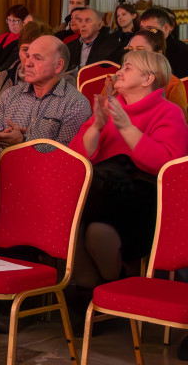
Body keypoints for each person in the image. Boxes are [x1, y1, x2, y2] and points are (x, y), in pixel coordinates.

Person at [69, 50, 188, 287]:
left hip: (144, 196)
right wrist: (98, 127)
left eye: (128, 67)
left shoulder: (169, 112)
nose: (119, 72)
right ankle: (94, 290)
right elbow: (76, 156)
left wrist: (126, 127)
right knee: (86, 217)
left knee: (81, 204)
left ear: (148, 79)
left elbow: (167, 166)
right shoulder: (108, 107)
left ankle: (100, 288)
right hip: (99, 194)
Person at [0, 36, 90, 166]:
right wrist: (10, 154)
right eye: (27, 56)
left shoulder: (75, 103)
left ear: (58, 66)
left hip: (48, 181)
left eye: (37, 58)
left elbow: (65, 156)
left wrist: (22, 143)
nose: (27, 63)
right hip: (3, 174)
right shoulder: (9, 95)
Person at [0, 21, 49, 122]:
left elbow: (46, 123)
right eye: (25, 49)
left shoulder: (54, 82)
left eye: (37, 51)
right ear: (18, 51)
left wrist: (6, 109)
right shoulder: (5, 76)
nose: (29, 56)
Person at [126, 29, 188, 118]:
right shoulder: (121, 79)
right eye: (130, 50)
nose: (133, 55)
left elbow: (179, 124)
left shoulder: (172, 85)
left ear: (158, 54)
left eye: (140, 50)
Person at [69, 8, 123, 72]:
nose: (83, 25)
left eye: (88, 20)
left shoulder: (112, 46)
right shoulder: (70, 46)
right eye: (80, 21)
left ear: (100, 25)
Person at [139, 7, 188, 79]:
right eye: (142, 29)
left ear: (166, 28)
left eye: (151, 29)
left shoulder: (182, 51)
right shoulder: (137, 47)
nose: (145, 33)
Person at [0, 4, 29, 70]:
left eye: (16, 21)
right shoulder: (0, 38)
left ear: (24, 22)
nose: (11, 24)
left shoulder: (28, 39)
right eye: (9, 20)